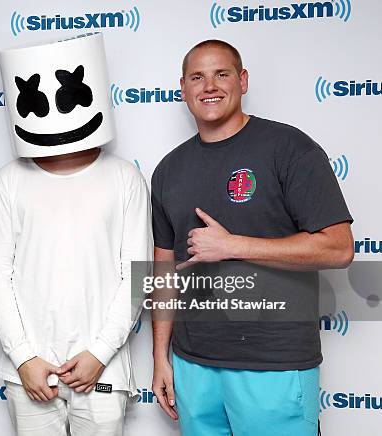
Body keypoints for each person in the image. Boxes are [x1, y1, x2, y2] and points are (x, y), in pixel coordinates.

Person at [150, 39, 354, 436]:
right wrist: (161, 356)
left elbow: (339, 246)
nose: (209, 85)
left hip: (272, 364)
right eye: (198, 77)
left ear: (242, 81)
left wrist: (234, 246)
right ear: (183, 89)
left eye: (221, 74)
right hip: (193, 365)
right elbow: (163, 269)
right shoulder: (168, 170)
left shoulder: (289, 148)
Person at [0, 34, 152, 436]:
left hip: (104, 369)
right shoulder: (8, 180)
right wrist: (24, 357)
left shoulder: (124, 176)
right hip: (29, 371)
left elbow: (138, 276)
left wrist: (99, 353)